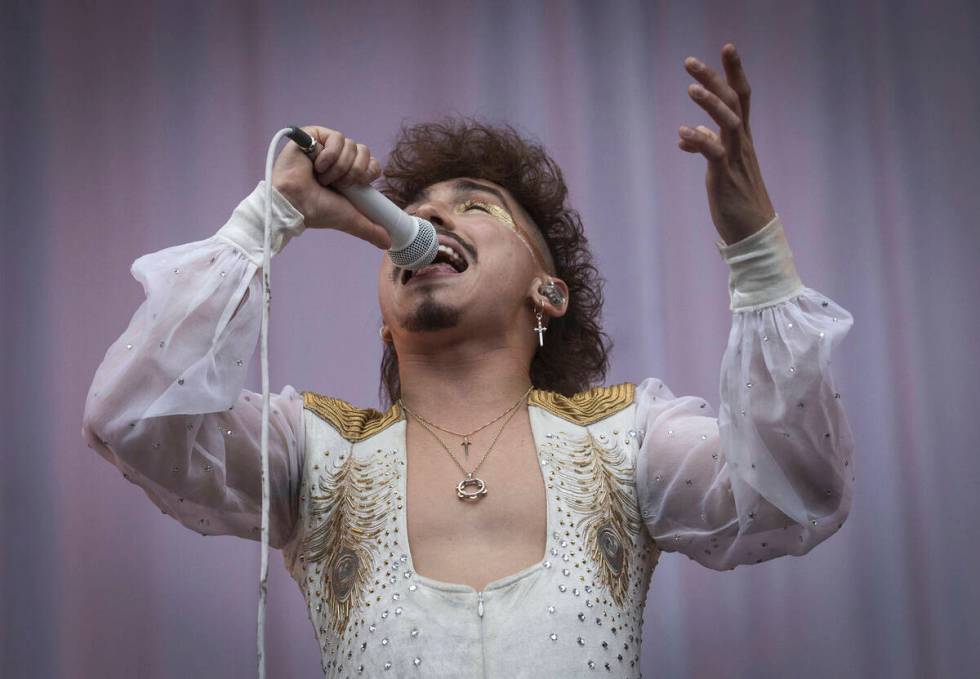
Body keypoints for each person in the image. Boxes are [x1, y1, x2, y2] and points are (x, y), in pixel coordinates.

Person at [82, 43, 855, 678]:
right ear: (386, 322)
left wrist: (757, 254)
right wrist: (268, 215)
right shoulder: (312, 455)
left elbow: (794, 491)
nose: (429, 218)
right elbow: (131, 417)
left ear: (547, 293)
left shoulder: (627, 441)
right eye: (413, 215)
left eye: (476, 206)